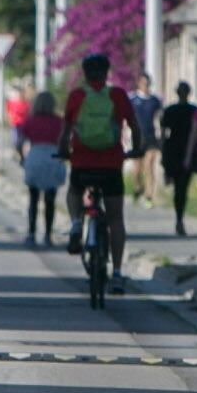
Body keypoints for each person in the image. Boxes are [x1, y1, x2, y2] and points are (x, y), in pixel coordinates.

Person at [61, 52, 138, 264]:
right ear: (106, 73)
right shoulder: (118, 96)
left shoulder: (77, 96)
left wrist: (63, 151)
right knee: (115, 219)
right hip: (111, 165)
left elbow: (66, 130)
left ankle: (76, 222)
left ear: (85, 74)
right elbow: (135, 127)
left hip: (82, 163)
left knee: (74, 192)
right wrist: (137, 150)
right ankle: (118, 273)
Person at [14, 89, 67, 246]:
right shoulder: (58, 121)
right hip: (52, 156)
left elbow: (19, 142)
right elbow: (64, 141)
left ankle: (31, 233)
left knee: (33, 199)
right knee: (50, 200)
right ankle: (48, 235)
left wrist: (22, 158)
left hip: (35, 155)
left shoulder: (31, 120)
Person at [156, 81, 197, 236]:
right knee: (181, 188)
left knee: (180, 188)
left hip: (177, 150)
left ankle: (179, 218)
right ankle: (179, 218)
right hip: (179, 151)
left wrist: (162, 153)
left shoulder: (172, 110)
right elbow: (162, 133)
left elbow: (162, 135)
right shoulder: (191, 110)